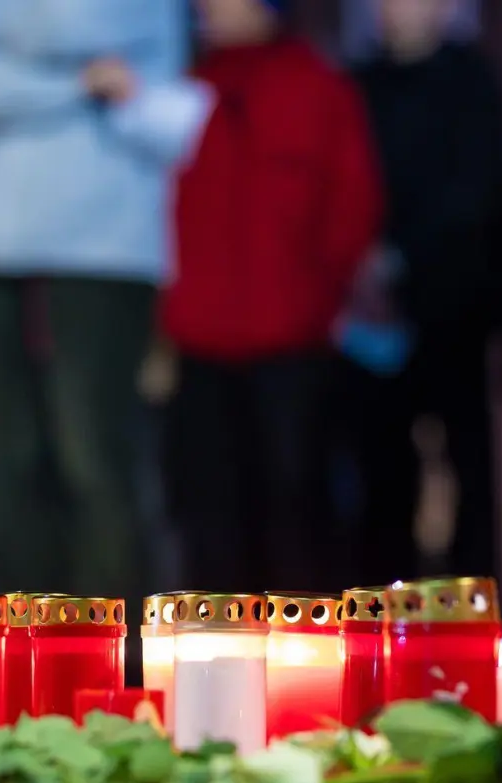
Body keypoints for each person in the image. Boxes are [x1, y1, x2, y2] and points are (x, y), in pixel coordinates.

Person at [0, 0, 187, 607]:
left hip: (106, 257)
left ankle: (107, 649)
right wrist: (78, 83)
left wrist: (21, 66)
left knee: (92, 453)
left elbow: (157, 106)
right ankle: (23, 639)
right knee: (6, 455)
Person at [164, 0, 382, 591]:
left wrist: (320, 293)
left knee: (296, 508)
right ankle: (214, 661)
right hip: (200, 341)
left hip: (293, 339)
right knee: (211, 513)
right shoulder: (179, 91)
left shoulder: (317, 87)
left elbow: (351, 202)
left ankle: (301, 665)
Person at [345, 0, 502, 585]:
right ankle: (384, 625)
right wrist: (362, 260)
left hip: (454, 307)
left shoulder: (472, 80)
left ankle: (473, 618)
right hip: (371, 318)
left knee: (467, 468)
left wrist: (403, 255)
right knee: (382, 476)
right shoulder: (356, 84)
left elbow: (478, 192)